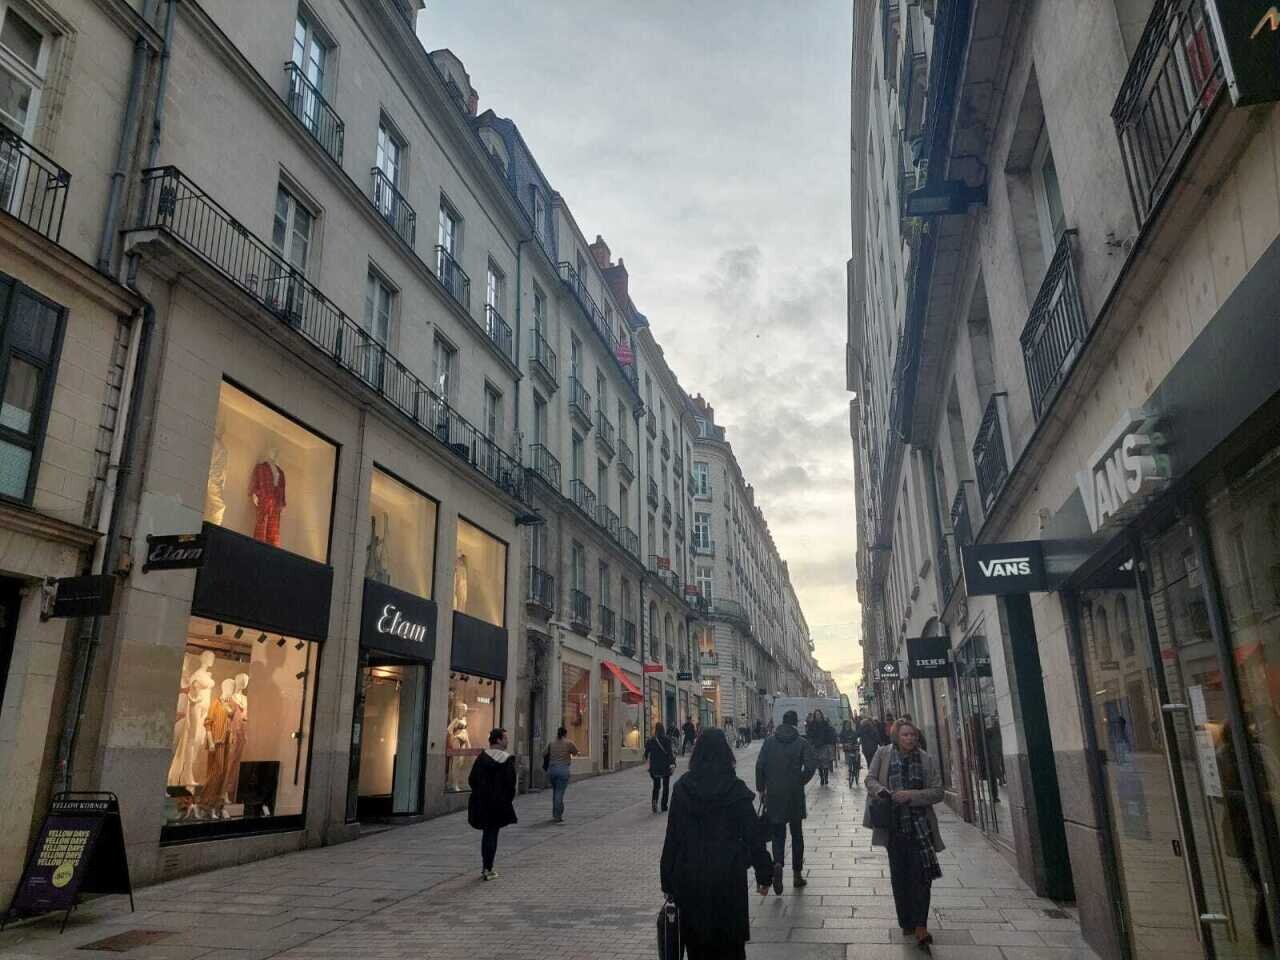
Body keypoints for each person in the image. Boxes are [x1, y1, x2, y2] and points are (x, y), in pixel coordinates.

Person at [661, 728, 773, 960]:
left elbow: (673, 838)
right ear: (726, 753)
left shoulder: (683, 788)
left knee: (697, 949)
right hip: (728, 879)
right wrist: (764, 874)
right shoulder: (735, 789)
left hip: (691, 880)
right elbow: (753, 837)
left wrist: (667, 881)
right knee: (731, 948)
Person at [865, 720, 944, 949]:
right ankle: (906, 921)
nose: (910, 738)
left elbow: (938, 792)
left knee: (922, 877)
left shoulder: (926, 759)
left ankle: (921, 925)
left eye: (913, 734)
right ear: (897, 737)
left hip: (921, 828)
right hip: (893, 826)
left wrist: (912, 795)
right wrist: (882, 792)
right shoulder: (883, 754)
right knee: (900, 877)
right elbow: (869, 779)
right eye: (905, 734)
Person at [755, 709, 817, 893]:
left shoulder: (768, 742)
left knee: (777, 833)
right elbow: (811, 766)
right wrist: (800, 781)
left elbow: (760, 766)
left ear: (782, 722)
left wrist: (761, 788)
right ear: (796, 722)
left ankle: (778, 863)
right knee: (797, 834)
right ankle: (797, 875)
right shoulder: (801, 742)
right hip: (794, 794)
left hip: (773, 794)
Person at [467, 727, 517, 881]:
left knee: (487, 833)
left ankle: (486, 866)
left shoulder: (482, 758)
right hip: (498, 803)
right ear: (499, 740)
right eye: (505, 738)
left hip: (481, 802)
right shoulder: (506, 760)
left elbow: (472, 779)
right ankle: (488, 868)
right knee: (492, 834)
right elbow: (510, 784)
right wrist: (507, 800)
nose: (507, 741)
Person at [545, 726, 578, 823]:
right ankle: (557, 815)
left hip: (552, 769)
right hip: (563, 769)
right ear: (565, 734)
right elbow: (575, 752)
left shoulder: (551, 743)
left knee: (555, 791)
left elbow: (544, 753)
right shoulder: (569, 743)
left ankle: (556, 813)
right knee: (559, 792)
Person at [645, 722, 676, 813]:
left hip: (655, 766)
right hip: (665, 766)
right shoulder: (667, 739)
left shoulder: (651, 740)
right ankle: (663, 806)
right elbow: (670, 753)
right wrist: (672, 763)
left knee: (656, 785)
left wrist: (646, 758)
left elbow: (646, 752)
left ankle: (654, 800)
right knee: (666, 786)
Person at [809, 709, 836, 786]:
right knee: (819, 764)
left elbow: (829, 732)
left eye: (819, 714)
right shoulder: (812, 724)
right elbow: (810, 734)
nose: (818, 716)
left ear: (821, 715)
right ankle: (822, 778)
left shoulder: (825, 723)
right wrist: (812, 742)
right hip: (816, 746)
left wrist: (829, 741)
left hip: (824, 745)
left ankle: (826, 778)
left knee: (825, 763)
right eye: (816, 714)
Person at [840, 719, 860, 786]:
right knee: (849, 762)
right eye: (846, 725)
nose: (847, 726)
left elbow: (856, 739)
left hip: (853, 748)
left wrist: (855, 744)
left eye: (849, 725)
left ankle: (856, 769)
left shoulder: (853, 732)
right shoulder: (843, 732)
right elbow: (841, 738)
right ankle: (850, 772)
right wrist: (844, 743)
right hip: (847, 749)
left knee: (855, 759)